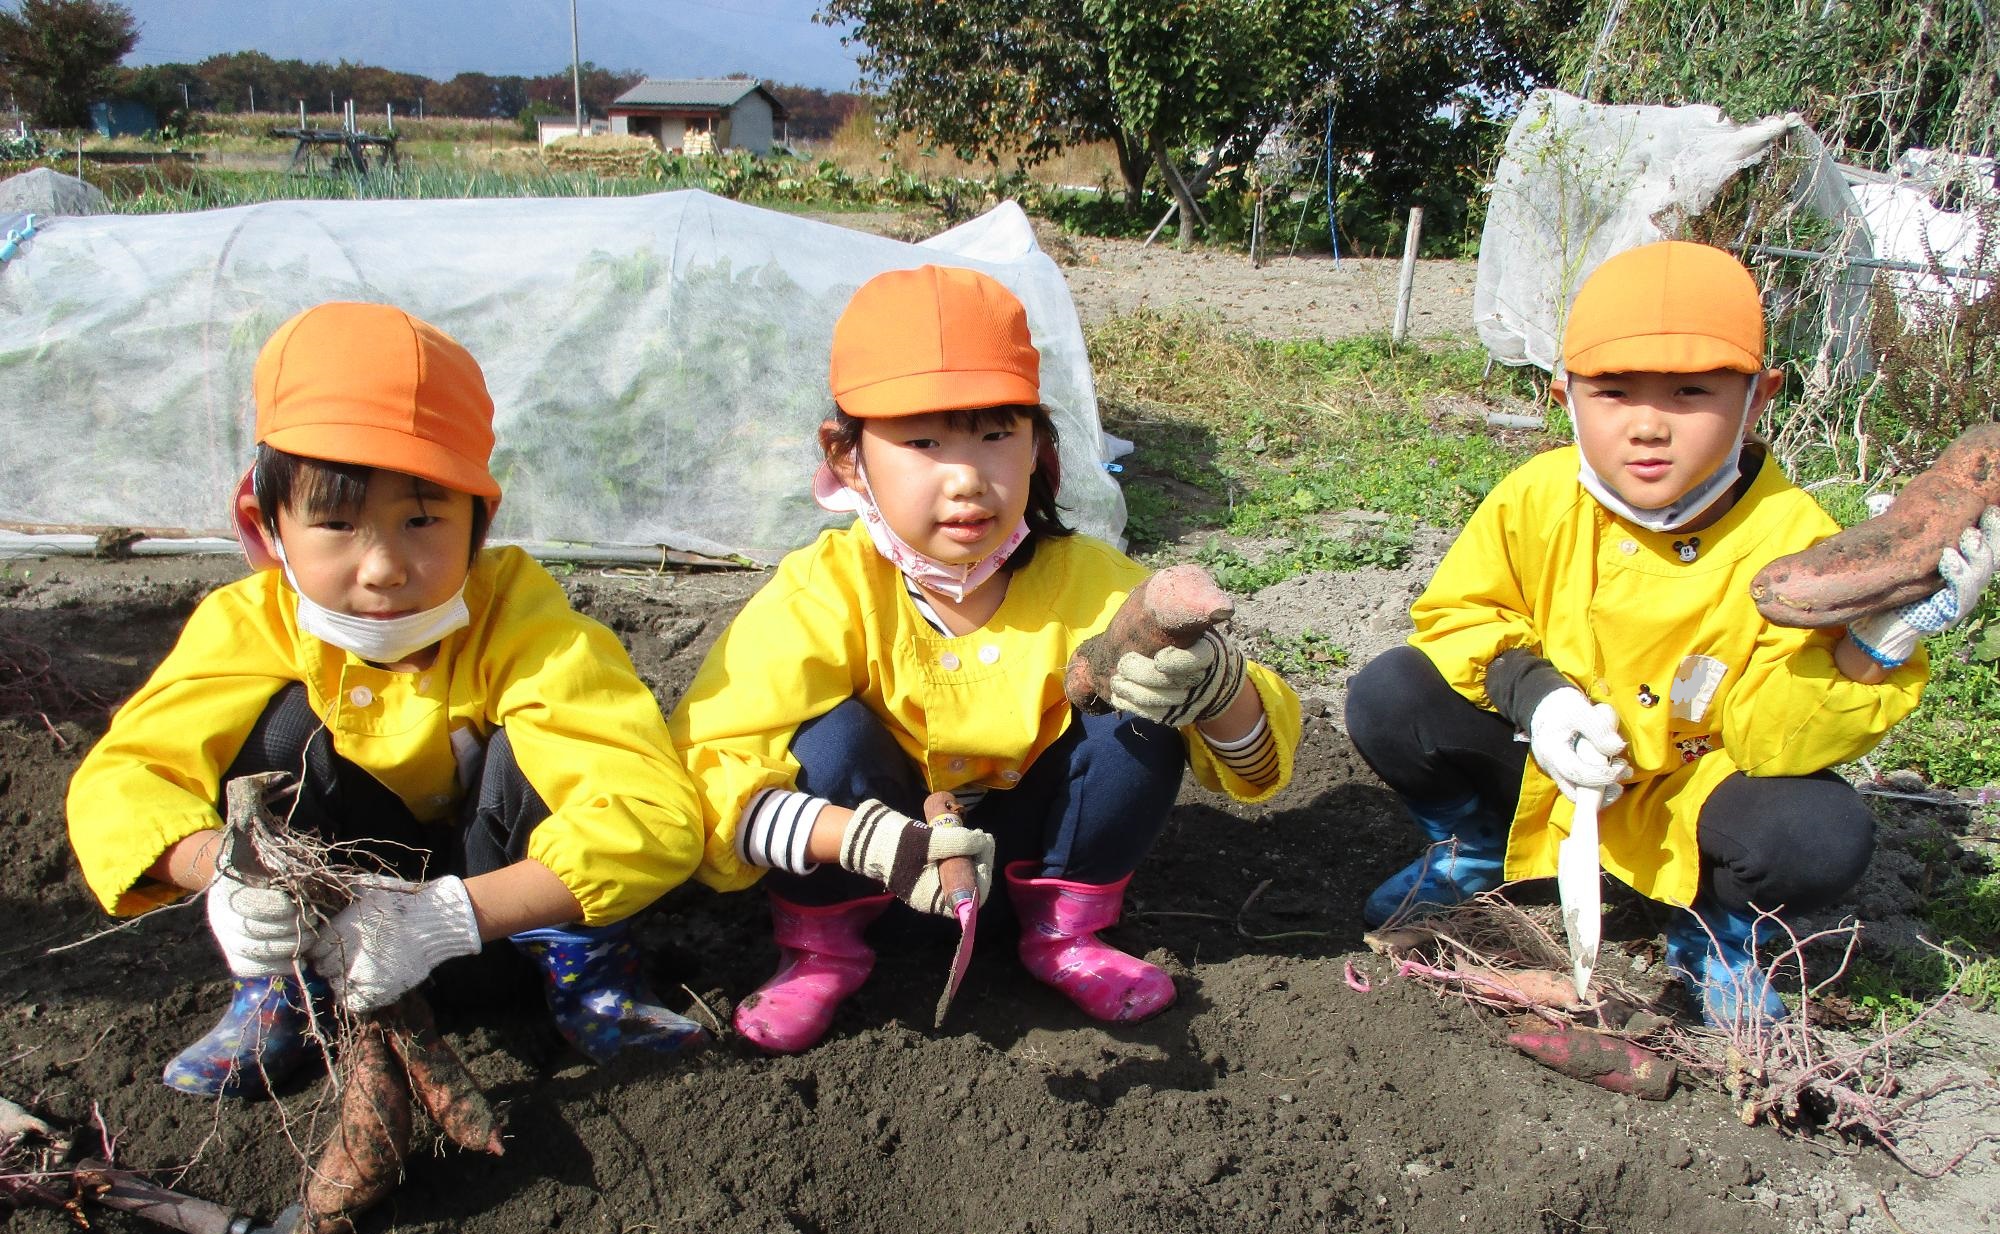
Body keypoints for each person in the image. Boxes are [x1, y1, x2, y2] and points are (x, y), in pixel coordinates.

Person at [66, 301, 710, 1096]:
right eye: (336, 522)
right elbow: (122, 784)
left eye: (420, 519)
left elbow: (651, 813)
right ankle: (283, 992)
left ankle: (589, 975)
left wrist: (447, 916)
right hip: (326, 929)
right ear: (264, 527)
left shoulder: (522, 622)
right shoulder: (248, 627)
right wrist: (230, 874)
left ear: (480, 520)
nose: (383, 566)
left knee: (536, 750)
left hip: (502, 925)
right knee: (276, 732)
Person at [1345, 240, 1996, 1025]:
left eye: (1691, 392)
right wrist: (1542, 700)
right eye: (1615, 392)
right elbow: (1463, 617)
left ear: (1759, 398)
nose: (1649, 426)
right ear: (1564, 397)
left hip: (1692, 786)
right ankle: (1474, 848)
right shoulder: (1538, 497)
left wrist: (1876, 640)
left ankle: (1716, 929)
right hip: (1552, 764)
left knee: (1819, 834)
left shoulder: (1798, 544)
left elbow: (1768, 744)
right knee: (1392, 694)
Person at [670, 264, 1302, 1053]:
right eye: (923, 441)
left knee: (1140, 721)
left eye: (996, 434)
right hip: (879, 871)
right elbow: (702, 768)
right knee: (822, 739)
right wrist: (862, 841)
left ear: (1040, 445)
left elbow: (1259, 767)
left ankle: (1068, 937)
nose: (967, 477)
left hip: (1028, 873)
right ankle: (822, 949)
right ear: (845, 454)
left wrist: (1218, 685)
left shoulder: (1096, 585)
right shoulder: (823, 594)